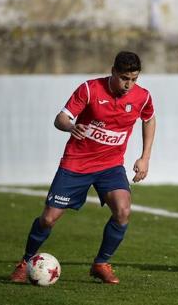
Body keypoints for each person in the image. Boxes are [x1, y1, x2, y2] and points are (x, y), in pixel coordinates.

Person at [10, 51, 156, 285]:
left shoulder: (143, 97)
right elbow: (61, 118)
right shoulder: (89, 89)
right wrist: (70, 127)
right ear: (113, 71)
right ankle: (25, 261)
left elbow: (149, 118)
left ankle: (101, 263)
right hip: (76, 164)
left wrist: (145, 157)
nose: (129, 85)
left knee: (123, 211)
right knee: (48, 219)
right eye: (124, 78)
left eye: (134, 79)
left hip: (110, 166)